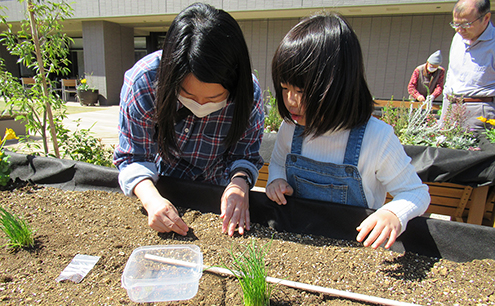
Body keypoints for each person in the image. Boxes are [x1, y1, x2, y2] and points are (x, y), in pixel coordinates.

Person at [266, 13, 430, 250]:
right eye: (284, 88)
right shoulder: (290, 128)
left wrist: (394, 213)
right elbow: (279, 162)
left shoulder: (376, 138)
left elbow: (415, 192)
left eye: (301, 91)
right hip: (298, 239)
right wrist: (276, 180)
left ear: (338, 86)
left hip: (355, 249)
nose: (290, 101)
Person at [114, 3, 264, 237]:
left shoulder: (248, 92)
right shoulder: (145, 82)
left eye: (214, 98)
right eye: (189, 96)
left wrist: (238, 184)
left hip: (218, 188)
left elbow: (244, 156)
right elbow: (133, 156)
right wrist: (151, 200)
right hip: (163, 182)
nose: (201, 106)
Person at [441, 0, 495, 130]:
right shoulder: (458, 38)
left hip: (479, 110)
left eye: (466, 24)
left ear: (486, 18)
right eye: (455, 24)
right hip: (449, 107)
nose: (459, 29)